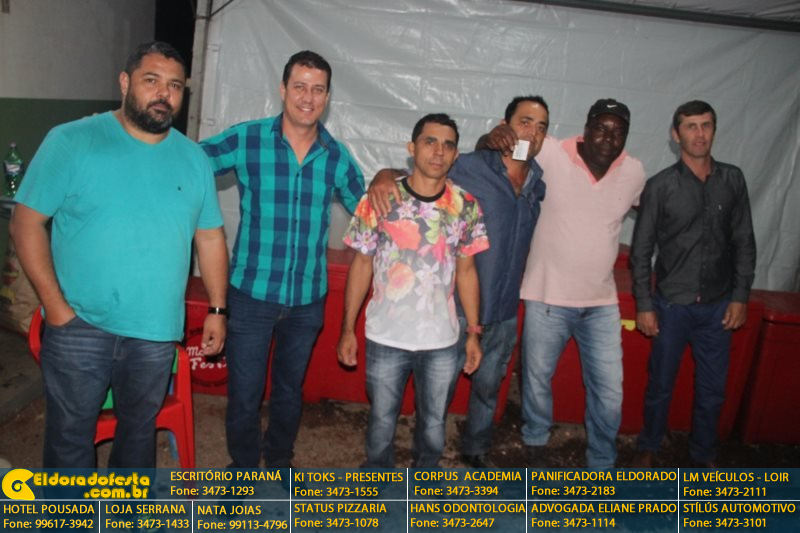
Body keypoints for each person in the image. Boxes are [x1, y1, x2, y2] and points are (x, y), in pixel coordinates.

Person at [10, 41, 228, 468]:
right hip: (79, 325)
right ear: (125, 82)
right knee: (69, 438)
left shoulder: (193, 159)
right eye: (152, 80)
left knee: (138, 433)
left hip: (154, 331)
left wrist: (218, 309)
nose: (164, 93)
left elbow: (210, 238)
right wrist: (57, 309)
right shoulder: (72, 141)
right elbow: (25, 223)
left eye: (175, 86)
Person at [201, 51, 365, 468]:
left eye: (318, 89)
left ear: (327, 96)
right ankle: (242, 468)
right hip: (251, 294)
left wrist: (385, 178)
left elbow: (368, 210)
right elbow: (187, 164)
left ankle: (279, 460)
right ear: (282, 89)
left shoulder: (336, 156)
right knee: (245, 392)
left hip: (307, 300)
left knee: (290, 391)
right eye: (300, 87)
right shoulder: (247, 139)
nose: (308, 98)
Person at [368, 97, 549, 468]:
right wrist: (384, 174)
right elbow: (427, 167)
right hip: (462, 307)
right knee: (437, 395)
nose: (532, 132)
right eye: (525, 121)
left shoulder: (538, 183)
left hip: (504, 308)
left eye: (541, 126)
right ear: (505, 124)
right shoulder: (471, 167)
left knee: (488, 386)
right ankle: (421, 456)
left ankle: (475, 448)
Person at [485, 98, 646, 469]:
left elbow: (654, 210)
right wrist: (493, 137)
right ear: (586, 129)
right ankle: (535, 443)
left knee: (610, 389)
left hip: (601, 303)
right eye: (601, 128)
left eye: (618, 131)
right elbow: (502, 152)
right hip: (547, 297)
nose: (608, 138)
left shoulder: (634, 171)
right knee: (537, 378)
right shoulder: (552, 154)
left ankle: (602, 461)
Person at [337, 113, 489, 468]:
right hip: (385, 336)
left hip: (441, 341)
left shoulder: (466, 206)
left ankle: (425, 478)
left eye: (448, 145)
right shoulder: (379, 200)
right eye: (429, 141)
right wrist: (348, 328)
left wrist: (473, 332)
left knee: (434, 425)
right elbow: (361, 265)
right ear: (412, 148)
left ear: (456, 155)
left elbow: (467, 272)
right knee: (381, 421)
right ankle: (377, 476)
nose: (439, 151)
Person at [630, 100, 756, 468]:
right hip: (672, 305)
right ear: (676, 135)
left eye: (706, 125)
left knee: (713, 390)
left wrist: (740, 297)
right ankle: (649, 446)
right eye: (691, 126)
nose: (699, 134)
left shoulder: (733, 180)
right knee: (660, 383)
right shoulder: (660, 187)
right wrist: (644, 305)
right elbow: (641, 251)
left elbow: (744, 242)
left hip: (718, 307)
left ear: (714, 130)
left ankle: (703, 454)